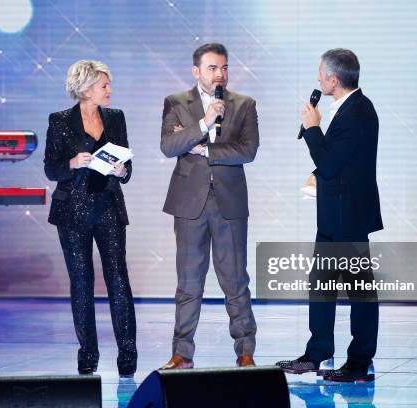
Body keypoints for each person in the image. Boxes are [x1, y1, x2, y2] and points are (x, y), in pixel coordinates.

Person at [276, 48, 383, 382]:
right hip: (334, 216)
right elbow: (338, 160)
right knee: (320, 285)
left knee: (358, 291)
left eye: (321, 74)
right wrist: (316, 174)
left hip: (349, 216)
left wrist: (311, 128)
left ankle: (359, 361)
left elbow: (331, 161)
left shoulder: (358, 111)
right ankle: (316, 352)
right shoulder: (348, 109)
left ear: (334, 80)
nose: (319, 79)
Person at [159, 43, 259, 369]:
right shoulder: (176, 103)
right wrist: (203, 123)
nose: (220, 74)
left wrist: (204, 151)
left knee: (235, 280)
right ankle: (182, 353)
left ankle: (245, 353)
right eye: (213, 68)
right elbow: (170, 145)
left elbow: (247, 150)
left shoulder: (243, 105)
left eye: (224, 68)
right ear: (197, 71)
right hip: (189, 204)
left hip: (229, 203)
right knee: (188, 282)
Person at [44, 60, 137, 377]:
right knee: (81, 283)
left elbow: (127, 165)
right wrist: (71, 162)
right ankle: (88, 353)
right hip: (72, 211)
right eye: (104, 86)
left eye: (109, 85)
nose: (110, 91)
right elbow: (50, 168)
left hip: (108, 208)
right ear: (85, 89)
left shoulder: (116, 118)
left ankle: (128, 352)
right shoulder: (59, 121)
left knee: (118, 280)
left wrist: (122, 170)